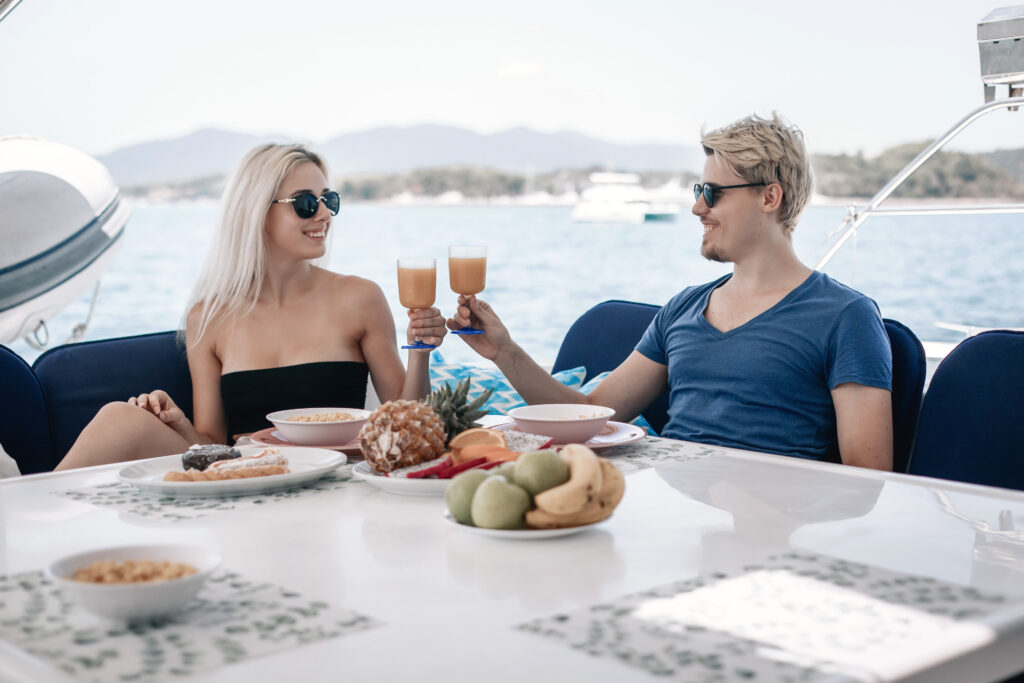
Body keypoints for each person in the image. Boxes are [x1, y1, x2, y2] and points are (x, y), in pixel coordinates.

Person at [448, 113, 893, 470]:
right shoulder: (683, 308)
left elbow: (868, 479)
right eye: (699, 190)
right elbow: (592, 414)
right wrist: (504, 353)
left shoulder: (845, 317)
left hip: (769, 535)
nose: (697, 207)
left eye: (712, 193)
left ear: (769, 197)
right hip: (675, 517)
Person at [56, 143, 446, 470]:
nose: (325, 214)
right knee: (119, 418)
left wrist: (420, 350)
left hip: (333, 475)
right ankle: (25, 518)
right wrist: (176, 421)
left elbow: (406, 424)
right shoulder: (209, 318)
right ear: (258, 211)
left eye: (329, 200)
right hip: (249, 477)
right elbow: (210, 443)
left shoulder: (360, 298)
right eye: (307, 203)